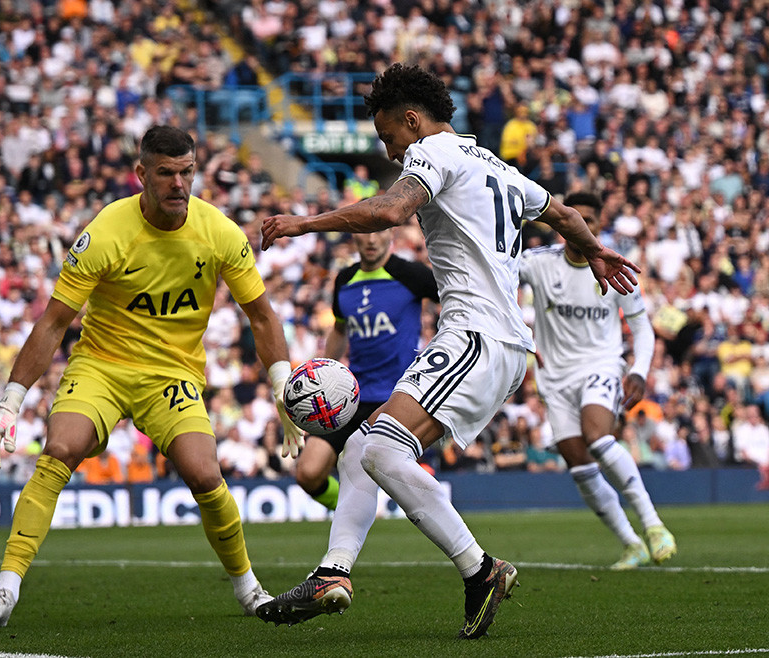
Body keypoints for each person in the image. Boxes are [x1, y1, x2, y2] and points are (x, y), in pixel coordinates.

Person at [257, 64, 639, 638]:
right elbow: (562, 215)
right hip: (496, 343)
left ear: (412, 120)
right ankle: (333, 572)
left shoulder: (433, 151)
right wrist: (600, 252)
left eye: (388, 137)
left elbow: (388, 211)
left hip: (477, 337)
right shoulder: (496, 166)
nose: (389, 150)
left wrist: (303, 223)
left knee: (382, 450)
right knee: (363, 446)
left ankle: (479, 569)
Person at [0, 126, 303, 627]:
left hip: (171, 373)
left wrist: (283, 385)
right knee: (60, 449)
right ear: (141, 174)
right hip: (102, 365)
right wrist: (9, 404)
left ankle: (250, 588)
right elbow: (55, 321)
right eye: (165, 173)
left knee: (205, 474)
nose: (178, 184)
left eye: (187, 172)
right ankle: (5, 590)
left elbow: (261, 316)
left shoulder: (220, 233)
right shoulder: (105, 232)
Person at [519, 191, 676, 570]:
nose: (582, 226)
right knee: (577, 462)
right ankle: (631, 543)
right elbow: (495, 271)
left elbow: (642, 328)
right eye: (575, 218)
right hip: (554, 378)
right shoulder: (537, 264)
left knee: (599, 437)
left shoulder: (616, 266)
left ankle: (654, 525)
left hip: (601, 366)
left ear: (599, 225)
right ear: (561, 223)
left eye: (590, 219)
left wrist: (638, 369)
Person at [296, 228, 438, 511]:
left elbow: (454, 301)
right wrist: (325, 374)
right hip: (353, 396)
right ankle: (354, 513)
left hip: (399, 397)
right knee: (308, 473)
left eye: (378, 231)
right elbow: (339, 329)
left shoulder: (412, 275)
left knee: (382, 468)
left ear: (391, 235)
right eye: (364, 232)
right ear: (354, 237)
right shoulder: (345, 279)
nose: (371, 239)